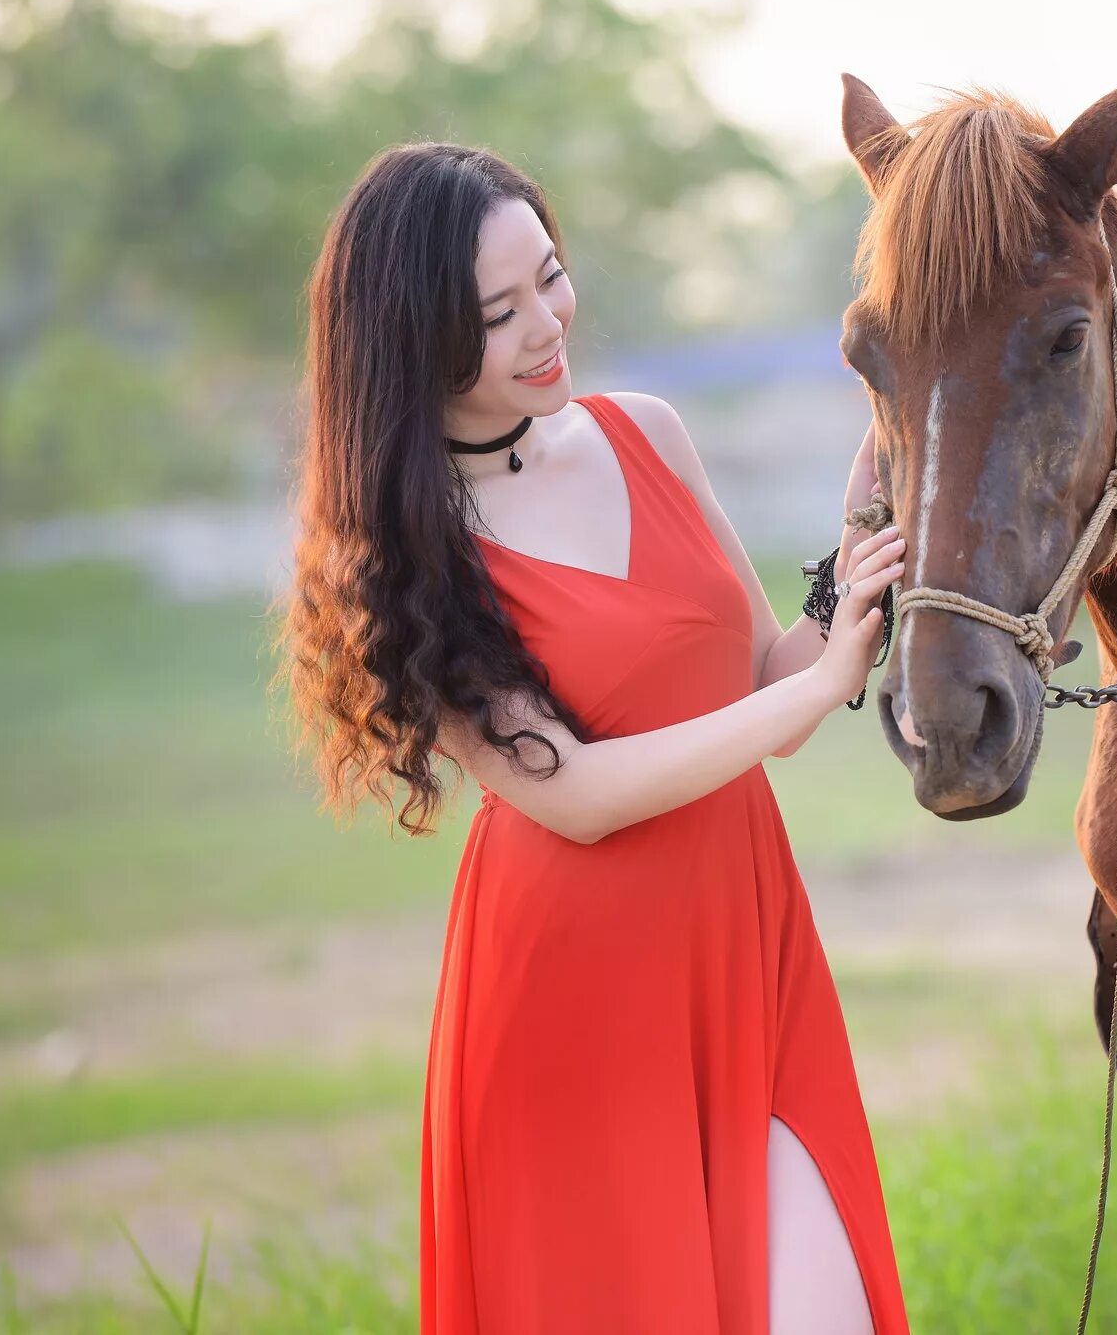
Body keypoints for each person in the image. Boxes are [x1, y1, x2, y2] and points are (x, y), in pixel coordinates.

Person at [281, 139, 911, 1334]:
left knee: (815, 1303)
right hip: (573, 998)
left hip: (738, 931)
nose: (545, 325)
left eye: (550, 279)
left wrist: (847, 562)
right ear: (413, 339)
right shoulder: (410, 550)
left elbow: (765, 687)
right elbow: (574, 795)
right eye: (497, 313)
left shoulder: (645, 433)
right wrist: (817, 684)